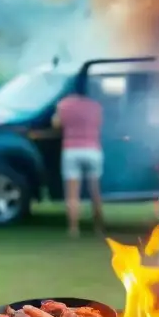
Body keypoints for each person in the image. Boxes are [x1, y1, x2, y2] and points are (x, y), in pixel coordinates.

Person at [53, 75, 105, 238]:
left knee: (72, 194)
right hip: (92, 150)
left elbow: (56, 124)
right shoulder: (96, 106)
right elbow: (99, 124)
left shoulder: (64, 105)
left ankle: (74, 229)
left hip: (71, 150)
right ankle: (98, 227)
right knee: (95, 191)